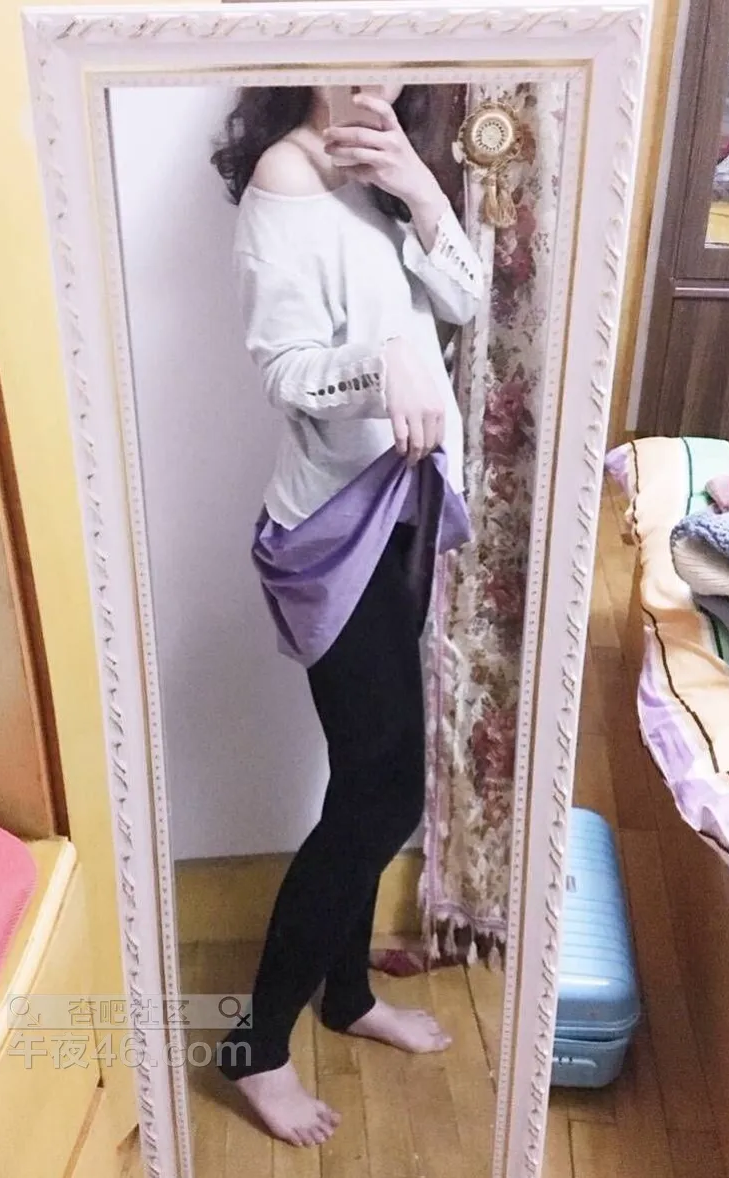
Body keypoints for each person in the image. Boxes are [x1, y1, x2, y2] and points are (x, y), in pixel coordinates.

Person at [210, 83, 483, 1147]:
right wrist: (386, 361)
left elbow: (462, 300)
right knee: (383, 796)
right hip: (335, 535)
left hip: (401, 513)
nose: (378, 55)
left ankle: (347, 994)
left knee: (364, 780)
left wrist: (421, 192)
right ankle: (255, 1045)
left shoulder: (390, 162)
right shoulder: (285, 177)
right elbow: (283, 370)